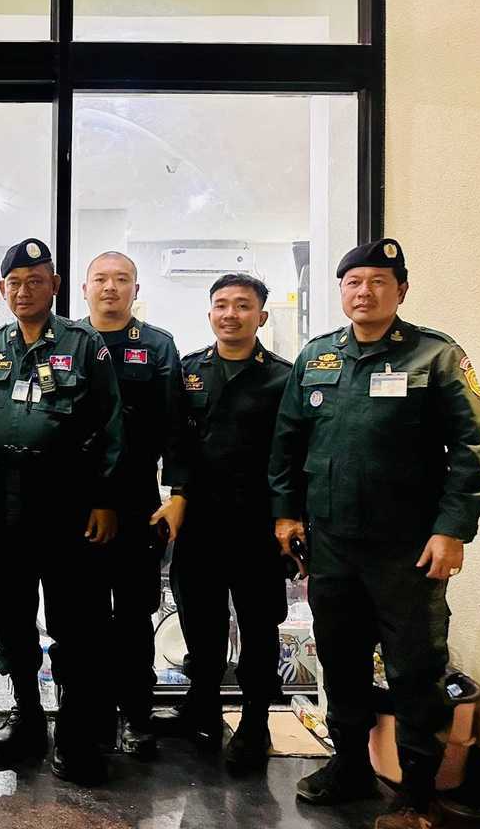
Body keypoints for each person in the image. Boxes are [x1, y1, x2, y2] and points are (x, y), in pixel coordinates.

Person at [270, 239, 480, 829]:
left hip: (408, 549)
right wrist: (286, 514)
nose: (364, 292)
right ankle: (348, 765)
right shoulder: (317, 357)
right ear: (341, 291)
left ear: (401, 290)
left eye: (377, 282)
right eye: (353, 282)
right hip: (332, 544)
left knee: (414, 668)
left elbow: (475, 450)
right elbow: (287, 442)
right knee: (340, 659)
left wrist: (452, 530)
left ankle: (417, 793)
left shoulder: (436, 356)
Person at [0, 238, 123, 786]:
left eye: (36, 281)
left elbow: (110, 425)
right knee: (11, 619)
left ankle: (74, 728)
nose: (24, 291)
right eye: (14, 283)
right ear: (2, 289)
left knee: (75, 623)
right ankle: (27, 717)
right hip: (4, 506)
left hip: (67, 503)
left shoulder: (84, 345)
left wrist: (104, 499)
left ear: (55, 286)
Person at [153, 273, 292, 772]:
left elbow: (290, 453)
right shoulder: (190, 371)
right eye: (221, 305)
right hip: (200, 522)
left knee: (258, 625)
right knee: (200, 621)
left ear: (262, 315)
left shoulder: (284, 377)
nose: (231, 314)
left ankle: (255, 723)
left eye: (242, 305)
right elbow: (176, 442)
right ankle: (204, 710)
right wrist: (177, 494)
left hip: (257, 525)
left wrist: (289, 517)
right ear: (210, 313)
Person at [78, 251, 187, 758]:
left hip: (137, 500)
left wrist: (178, 492)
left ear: (135, 290)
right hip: (77, 502)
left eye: (121, 279)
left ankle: (137, 715)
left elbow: (176, 428)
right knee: (83, 616)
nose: (110, 287)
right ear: (84, 289)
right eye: (100, 279)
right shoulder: (67, 341)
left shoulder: (157, 346)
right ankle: (91, 713)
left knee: (134, 614)